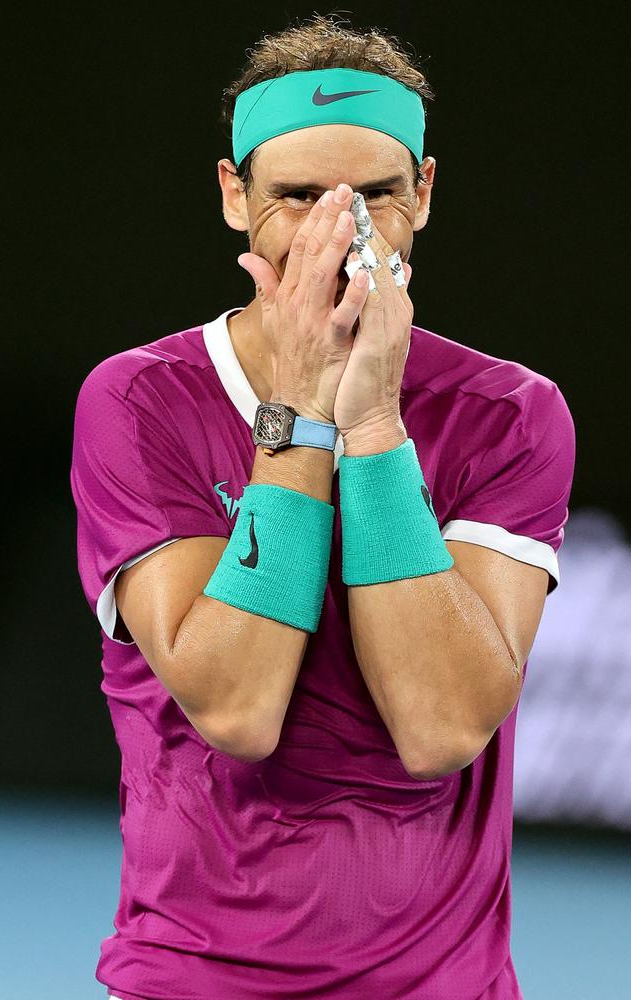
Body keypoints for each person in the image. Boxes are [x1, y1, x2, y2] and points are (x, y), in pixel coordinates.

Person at [70, 14, 576, 1000]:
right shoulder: (137, 401)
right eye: (295, 196)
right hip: (194, 983)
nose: (334, 230)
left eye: (374, 195)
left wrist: (375, 424)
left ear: (423, 194)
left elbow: (437, 727)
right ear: (232, 195)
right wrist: (300, 414)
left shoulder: (510, 415)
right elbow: (237, 704)